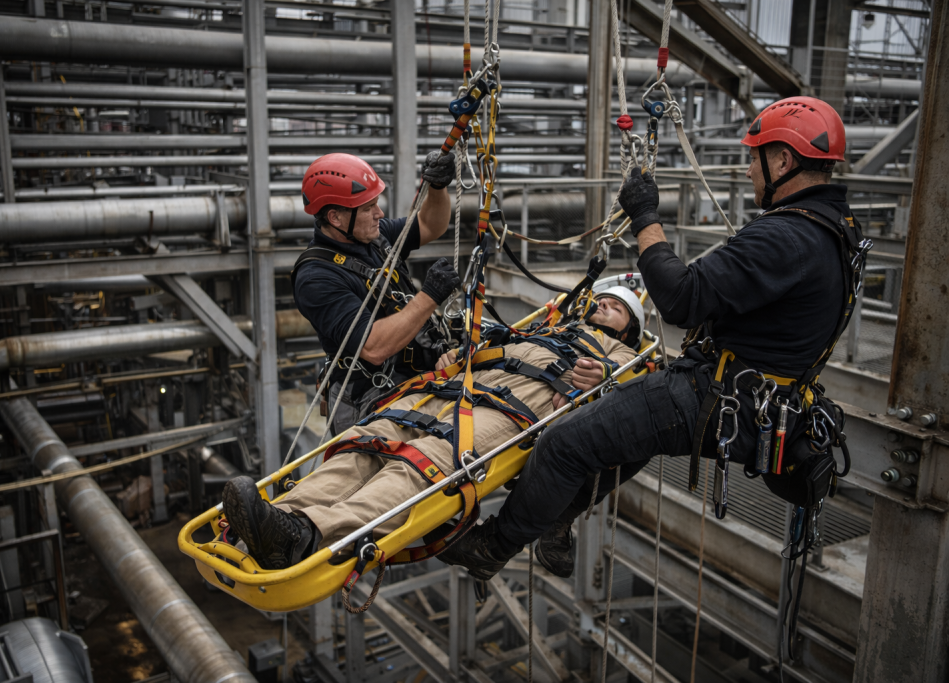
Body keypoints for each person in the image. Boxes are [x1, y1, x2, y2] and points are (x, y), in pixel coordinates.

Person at [438, 95, 867, 580]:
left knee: (562, 445)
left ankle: (493, 546)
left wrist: (645, 218)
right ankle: (556, 518)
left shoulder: (785, 236)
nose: (748, 170)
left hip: (719, 393)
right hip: (761, 398)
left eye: (754, 157)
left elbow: (682, 298)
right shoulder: (838, 230)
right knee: (626, 431)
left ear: (783, 160)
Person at [220, 287, 645, 571]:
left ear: (629, 329)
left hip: (504, 413)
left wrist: (604, 377)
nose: (603, 305)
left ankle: (308, 536)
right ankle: (278, 519)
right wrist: (460, 357)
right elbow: (488, 345)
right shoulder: (544, 328)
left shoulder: (623, 355)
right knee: (365, 445)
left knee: (418, 468)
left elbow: (635, 402)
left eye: (616, 307)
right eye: (601, 299)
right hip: (453, 391)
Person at [293, 152, 461, 434]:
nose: (379, 213)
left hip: (412, 380)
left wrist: (438, 187)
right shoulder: (316, 277)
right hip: (370, 400)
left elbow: (431, 224)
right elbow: (373, 348)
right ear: (335, 217)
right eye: (369, 207)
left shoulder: (373, 236)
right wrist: (430, 295)